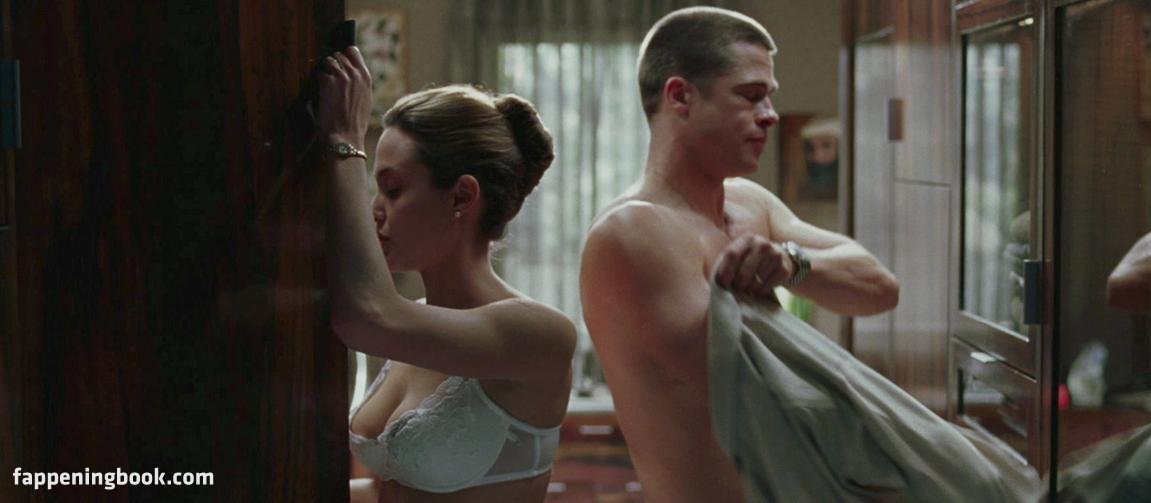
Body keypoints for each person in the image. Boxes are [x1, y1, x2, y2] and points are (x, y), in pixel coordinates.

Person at [579, 7, 899, 502]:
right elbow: (770, 391)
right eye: (750, 96)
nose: (770, 114)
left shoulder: (751, 204)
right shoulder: (630, 232)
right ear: (680, 96)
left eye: (769, 96)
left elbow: (879, 288)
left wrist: (791, 263)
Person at [317, 48, 577, 502]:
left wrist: (345, 142)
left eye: (393, 190)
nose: (375, 210)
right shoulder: (414, 322)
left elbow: (364, 316)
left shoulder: (540, 334)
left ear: (461, 197)